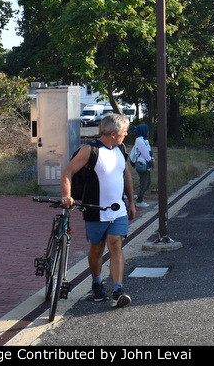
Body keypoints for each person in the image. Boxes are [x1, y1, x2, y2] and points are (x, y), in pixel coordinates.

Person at [61, 113, 136, 308]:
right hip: (95, 209)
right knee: (97, 249)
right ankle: (96, 283)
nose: (125, 135)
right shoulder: (90, 151)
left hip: (117, 209)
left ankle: (118, 290)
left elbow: (126, 175)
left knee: (115, 245)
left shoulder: (121, 149)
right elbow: (68, 172)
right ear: (113, 133)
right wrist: (66, 195)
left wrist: (131, 202)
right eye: (123, 132)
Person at [131, 123, 153, 207]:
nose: (148, 132)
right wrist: (151, 160)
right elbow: (146, 153)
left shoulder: (143, 140)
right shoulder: (140, 141)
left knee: (147, 183)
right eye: (147, 130)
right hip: (142, 164)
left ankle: (139, 195)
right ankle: (139, 200)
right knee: (144, 183)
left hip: (146, 165)